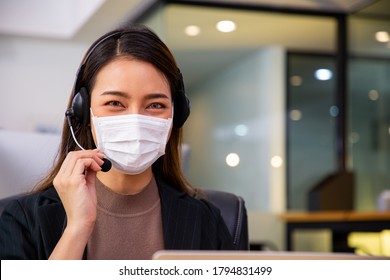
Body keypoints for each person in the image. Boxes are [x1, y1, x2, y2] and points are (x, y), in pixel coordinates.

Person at [0, 25, 235, 260]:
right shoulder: (19, 219)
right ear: (84, 113)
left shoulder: (207, 220)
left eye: (155, 105)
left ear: (177, 115)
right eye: (115, 103)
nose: (135, 120)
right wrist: (77, 228)